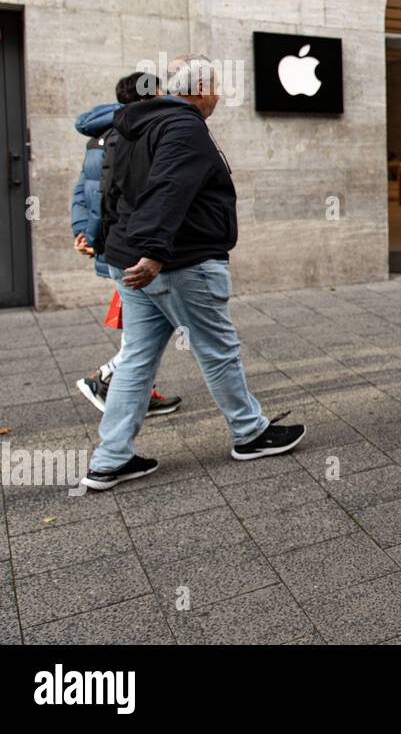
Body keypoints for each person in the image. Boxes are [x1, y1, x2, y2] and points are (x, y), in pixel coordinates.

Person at [81, 55, 304, 491]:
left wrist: (119, 250)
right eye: (216, 86)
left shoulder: (129, 124)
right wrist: (153, 252)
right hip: (178, 263)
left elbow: (111, 192)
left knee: (135, 359)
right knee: (216, 348)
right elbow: (169, 189)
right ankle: (250, 433)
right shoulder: (183, 127)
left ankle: (110, 459)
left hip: (134, 263)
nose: (219, 93)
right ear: (200, 90)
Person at [71, 71, 181, 417]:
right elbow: (106, 193)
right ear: (149, 96)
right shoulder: (131, 134)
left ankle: (137, 391)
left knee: (141, 321)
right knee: (151, 323)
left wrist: (84, 233)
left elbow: (82, 190)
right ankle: (104, 377)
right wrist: (92, 234)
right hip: (130, 242)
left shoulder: (99, 134)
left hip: (111, 240)